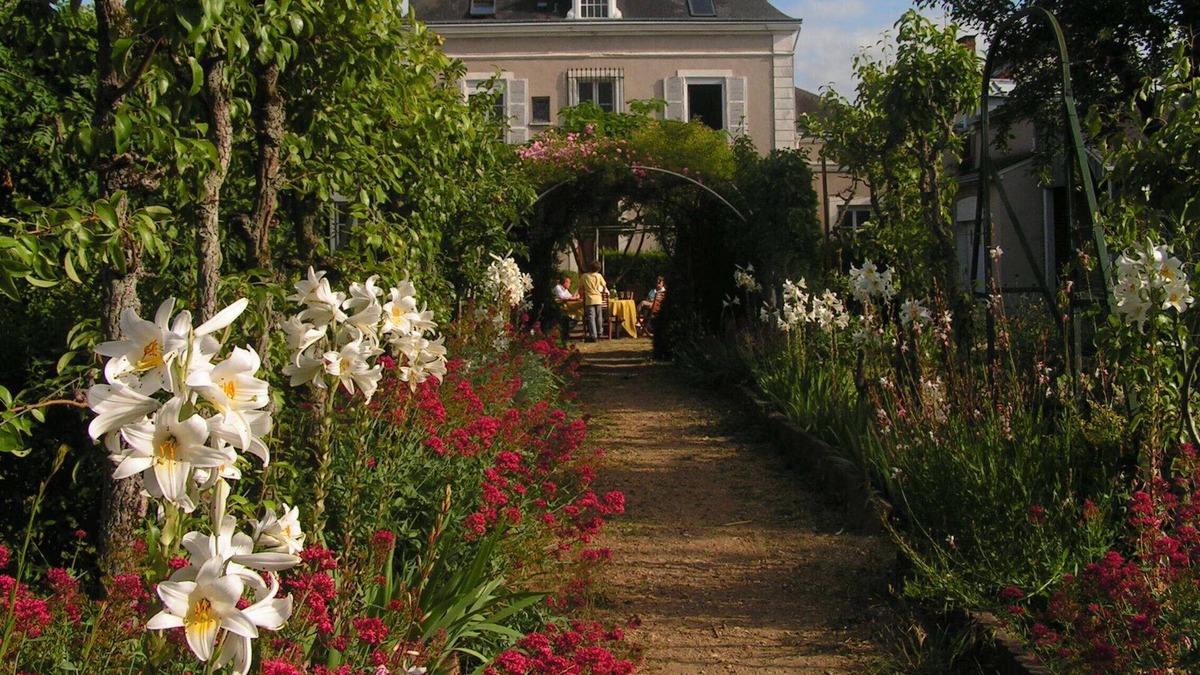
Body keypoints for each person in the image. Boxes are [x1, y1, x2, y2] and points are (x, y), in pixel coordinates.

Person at [578, 260, 608, 342]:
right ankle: (600, 332)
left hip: (589, 298)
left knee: (591, 317)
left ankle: (593, 335)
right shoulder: (598, 276)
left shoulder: (584, 276)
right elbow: (604, 286)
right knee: (599, 316)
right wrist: (602, 293)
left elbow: (580, 287)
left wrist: (581, 294)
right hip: (598, 298)